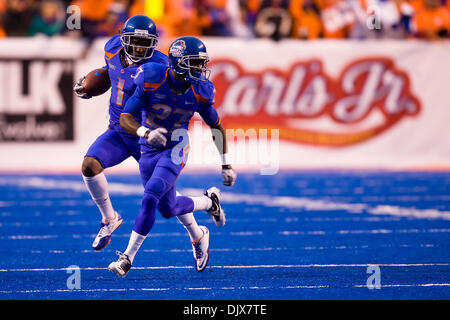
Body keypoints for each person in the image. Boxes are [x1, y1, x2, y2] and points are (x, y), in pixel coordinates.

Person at [74, 16, 217, 267]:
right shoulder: (112, 47)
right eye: (135, 42)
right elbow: (110, 72)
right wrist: (89, 85)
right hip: (118, 131)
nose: (139, 48)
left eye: (145, 43)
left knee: (164, 200)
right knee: (89, 165)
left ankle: (198, 234)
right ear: (124, 39)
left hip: (150, 139)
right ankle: (110, 219)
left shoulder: (160, 66)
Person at [107, 36, 237, 277]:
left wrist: (226, 163)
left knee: (150, 196)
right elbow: (126, 118)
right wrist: (145, 132)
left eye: (201, 63)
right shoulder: (151, 77)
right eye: (195, 63)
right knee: (167, 208)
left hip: (177, 146)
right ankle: (209, 202)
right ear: (178, 63)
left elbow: (216, 126)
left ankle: (127, 258)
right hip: (149, 147)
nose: (200, 69)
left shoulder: (201, 91)